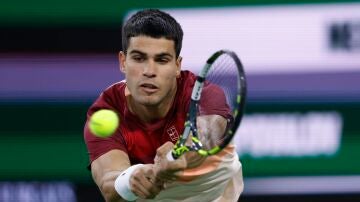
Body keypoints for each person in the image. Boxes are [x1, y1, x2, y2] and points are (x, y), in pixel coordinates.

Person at [84, 9, 243, 202]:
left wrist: (181, 157)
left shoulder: (203, 93)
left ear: (177, 66)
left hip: (214, 191)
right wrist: (130, 180)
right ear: (123, 62)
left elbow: (207, 134)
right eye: (139, 58)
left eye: (161, 60)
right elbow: (108, 182)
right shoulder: (106, 111)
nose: (149, 71)